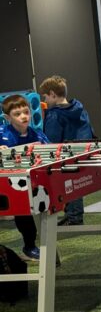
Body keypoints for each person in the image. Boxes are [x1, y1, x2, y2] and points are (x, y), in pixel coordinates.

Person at [39, 76, 95, 226]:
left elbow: (51, 140)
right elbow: (90, 129)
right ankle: (72, 214)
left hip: (65, 154)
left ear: (52, 94)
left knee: (69, 186)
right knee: (76, 185)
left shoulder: (54, 114)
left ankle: (74, 218)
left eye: (45, 97)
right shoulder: (79, 108)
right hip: (83, 151)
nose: (45, 101)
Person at [1, 94, 50, 260]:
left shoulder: (37, 134)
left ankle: (29, 246)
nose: (24, 116)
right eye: (17, 114)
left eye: (26, 112)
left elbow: (52, 150)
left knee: (27, 212)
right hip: (5, 185)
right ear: (7, 118)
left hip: (28, 185)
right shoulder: (2, 134)